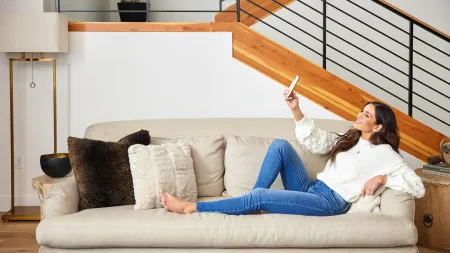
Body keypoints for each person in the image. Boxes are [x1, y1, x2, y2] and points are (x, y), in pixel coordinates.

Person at [161, 88, 425, 216]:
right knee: (280, 145)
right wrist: (295, 108)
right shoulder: (350, 139)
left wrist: (381, 179)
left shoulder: (386, 155)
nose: (359, 115)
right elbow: (315, 139)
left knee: (263, 196)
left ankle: (192, 208)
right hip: (313, 189)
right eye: (362, 110)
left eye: (366, 115)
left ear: (378, 125)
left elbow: (417, 185)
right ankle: (251, 203)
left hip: (330, 203)